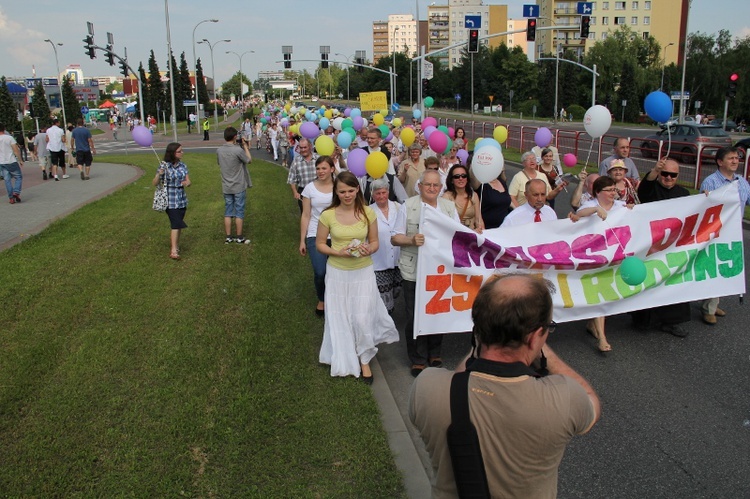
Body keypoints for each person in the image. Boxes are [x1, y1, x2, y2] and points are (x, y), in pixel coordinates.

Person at [409, 274, 600, 498]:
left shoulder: (426, 389)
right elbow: (591, 402)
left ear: (479, 327)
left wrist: (482, 338)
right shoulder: (565, 398)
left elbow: (461, 383)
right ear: (535, 336)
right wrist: (540, 348)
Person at [316, 171, 399, 383]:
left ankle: (364, 358)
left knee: (362, 317)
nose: (347, 195)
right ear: (336, 191)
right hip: (337, 273)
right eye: (342, 191)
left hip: (363, 272)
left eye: (351, 190)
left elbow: (374, 242)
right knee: (340, 316)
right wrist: (338, 252)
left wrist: (367, 249)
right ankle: (345, 352)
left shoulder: (367, 213)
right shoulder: (328, 215)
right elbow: (320, 244)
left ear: (358, 190)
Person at [392, 170, 460, 377]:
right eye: (427, 185)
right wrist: (412, 240)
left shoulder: (448, 207)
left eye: (435, 185)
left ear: (441, 188)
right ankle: (418, 358)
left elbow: (459, 234)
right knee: (415, 315)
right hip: (414, 269)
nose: (431, 188)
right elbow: (395, 238)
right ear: (419, 186)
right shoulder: (408, 206)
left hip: (440, 269)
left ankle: (434, 353)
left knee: (437, 311)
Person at [569, 176, 634, 352]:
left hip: (615, 257)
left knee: (607, 292)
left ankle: (592, 324)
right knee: (599, 293)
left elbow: (635, 216)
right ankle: (602, 338)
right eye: (609, 190)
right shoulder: (589, 205)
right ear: (598, 192)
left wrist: (630, 209)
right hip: (594, 257)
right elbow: (578, 214)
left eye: (614, 189)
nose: (614, 193)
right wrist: (595, 210)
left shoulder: (620, 207)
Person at [631, 157, 691, 337]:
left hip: (674, 246)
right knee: (650, 281)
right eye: (665, 174)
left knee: (673, 283)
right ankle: (643, 319)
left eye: (673, 175)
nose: (668, 178)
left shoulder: (684, 193)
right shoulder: (652, 189)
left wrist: (706, 198)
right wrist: (655, 170)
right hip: (651, 246)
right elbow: (644, 189)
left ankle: (671, 322)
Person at [699, 146, 750, 325]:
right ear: (720, 162)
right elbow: (700, 209)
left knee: (725, 269)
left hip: (734, 234)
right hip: (714, 234)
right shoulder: (710, 182)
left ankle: (713, 303)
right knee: (714, 268)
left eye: (737, 158)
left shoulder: (742, 182)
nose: (735, 161)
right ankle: (708, 308)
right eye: (731, 158)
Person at [300, 156, 335, 317]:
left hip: (336, 235)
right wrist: (302, 240)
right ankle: (322, 298)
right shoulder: (309, 188)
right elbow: (306, 215)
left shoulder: (339, 187)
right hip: (315, 234)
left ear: (332, 169)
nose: (320, 171)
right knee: (320, 271)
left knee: (335, 271)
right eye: (318, 168)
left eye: (324, 168)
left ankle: (335, 299)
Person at [370, 177, 405, 314]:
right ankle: (386, 327)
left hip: (398, 260)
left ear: (388, 192)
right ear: (373, 195)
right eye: (377, 193)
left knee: (396, 291)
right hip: (379, 262)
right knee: (385, 301)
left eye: (383, 192)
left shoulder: (399, 208)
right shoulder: (368, 211)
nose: (381, 196)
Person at [153, 142, 191, 260]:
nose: (182, 153)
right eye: (180, 151)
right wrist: (159, 175)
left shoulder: (183, 166)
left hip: (181, 199)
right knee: (175, 223)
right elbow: (154, 183)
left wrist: (187, 183)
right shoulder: (164, 166)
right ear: (173, 153)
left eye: (182, 150)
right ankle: (173, 250)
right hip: (170, 199)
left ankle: (176, 245)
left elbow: (188, 181)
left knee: (178, 223)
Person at [217, 127, 253, 244]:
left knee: (228, 211)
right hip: (238, 184)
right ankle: (239, 236)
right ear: (234, 137)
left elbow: (219, 163)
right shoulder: (237, 150)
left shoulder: (219, 150)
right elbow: (249, 160)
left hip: (226, 185)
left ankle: (228, 236)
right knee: (239, 210)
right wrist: (245, 146)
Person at [442, 163, 484, 231]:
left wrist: (482, 232)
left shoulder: (473, 195)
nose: (461, 178)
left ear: (467, 179)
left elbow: (478, 219)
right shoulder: (446, 197)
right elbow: (446, 222)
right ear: (451, 180)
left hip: (472, 233)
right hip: (455, 234)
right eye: (457, 176)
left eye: (464, 176)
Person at [287, 138, 319, 211]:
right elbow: (291, 179)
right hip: (303, 191)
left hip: (317, 190)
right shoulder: (296, 161)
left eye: (305, 147)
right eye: (301, 148)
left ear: (310, 147)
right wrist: (295, 192)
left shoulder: (318, 158)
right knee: (305, 215)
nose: (303, 150)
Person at [0, 123, 24, 204]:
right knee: (18, 177)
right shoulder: (9, 138)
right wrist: (20, 160)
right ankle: (16, 192)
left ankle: (11, 198)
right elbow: (15, 150)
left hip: (1, 162)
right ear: (4, 129)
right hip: (11, 161)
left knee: (7, 180)